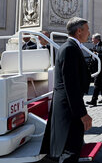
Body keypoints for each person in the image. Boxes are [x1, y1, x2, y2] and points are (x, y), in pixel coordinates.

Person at [40, 17, 92, 163]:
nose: (89, 33)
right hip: (69, 109)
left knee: (71, 148)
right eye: (87, 30)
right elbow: (71, 86)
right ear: (79, 31)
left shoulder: (70, 47)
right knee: (70, 151)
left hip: (69, 106)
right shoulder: (69, 49)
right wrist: (82, 114)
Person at [86, 33, 102, 106]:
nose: (91, 40)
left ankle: (93, 100)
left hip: (100, 67)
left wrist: (96, 54)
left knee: (96, 83)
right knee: (100, 82)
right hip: (95, 67)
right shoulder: (95, 45)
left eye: (92, 39)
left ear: (97, 39)